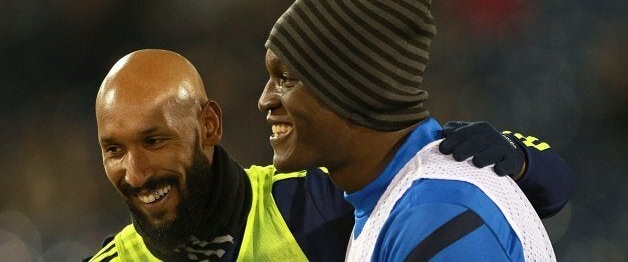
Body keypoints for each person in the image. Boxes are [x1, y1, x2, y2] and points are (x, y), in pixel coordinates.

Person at [87, 48, 572, 262]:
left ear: (208, 126)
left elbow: (552, 186)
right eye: (114, 150)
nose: (136, 172)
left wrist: (512, 154)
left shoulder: (311, 203)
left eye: (154, 141)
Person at [258, 0, 573, 261]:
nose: (265, 100)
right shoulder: (382, 194)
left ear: (349, 90)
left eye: (285, 79)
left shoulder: (436, 211)